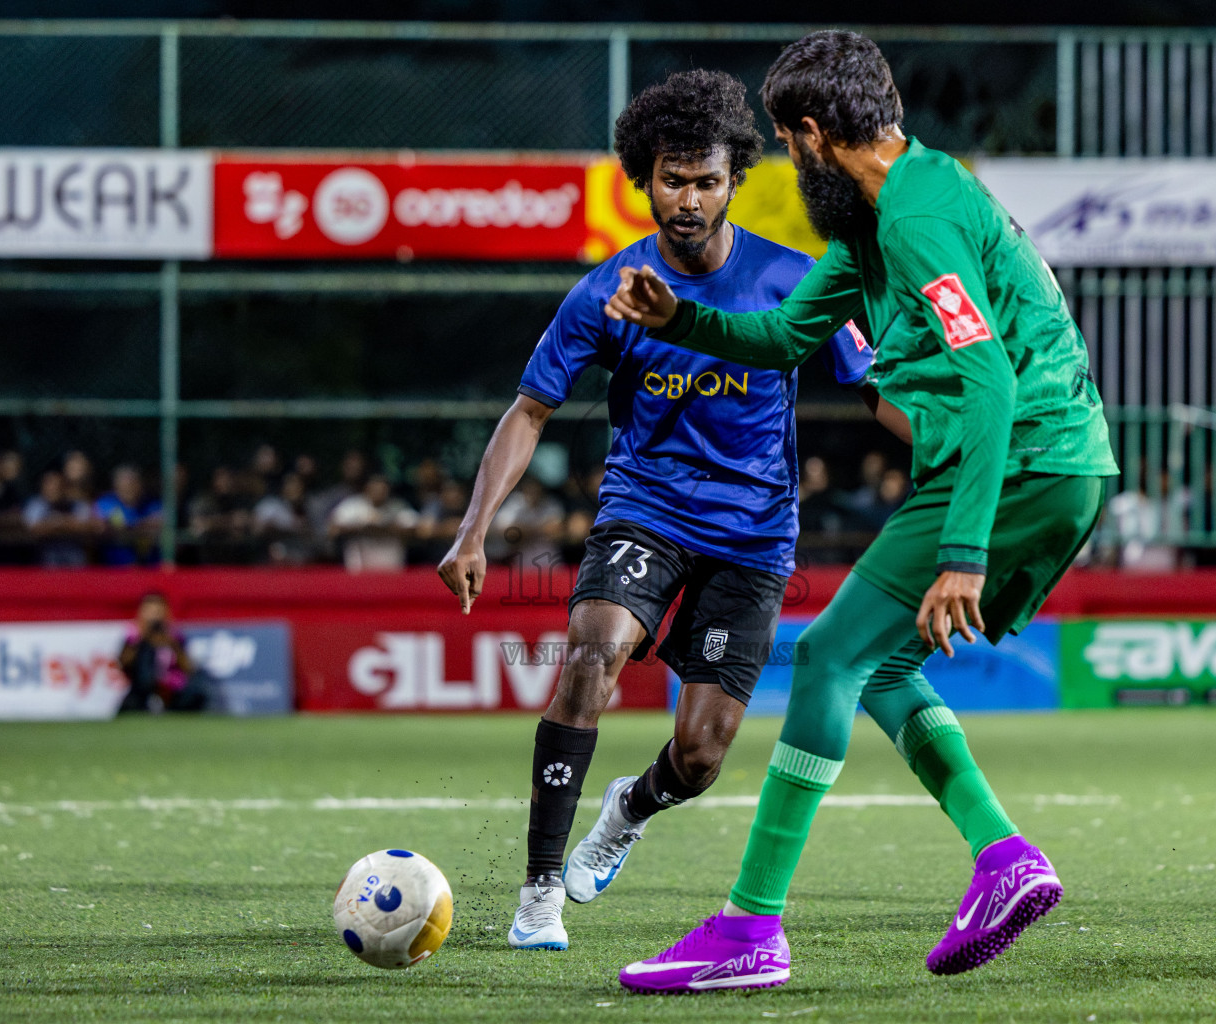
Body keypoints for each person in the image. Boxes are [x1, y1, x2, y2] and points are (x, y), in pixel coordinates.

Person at [604, 31, 1118, 992]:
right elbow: (785, 335)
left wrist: (963, 553)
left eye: (787, 147)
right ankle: (1002, 858)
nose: (790, 166)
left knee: (830, 657)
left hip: (1018, 462)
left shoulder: (916, 218)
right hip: (1060, 469)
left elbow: (992, 379)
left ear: (809, 135)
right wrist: (681, 319)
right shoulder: (884, 218)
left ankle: (751, 929)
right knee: (878, 667)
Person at [438, 69, 905, 954]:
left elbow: (876, 391)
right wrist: (473, 532)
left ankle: (629, 809)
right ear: (644, 181)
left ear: (736, 181)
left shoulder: (795, 281)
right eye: (671, 179)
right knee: (591, 653)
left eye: (706, 180)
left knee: (700, 755)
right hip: (644, 511)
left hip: (756, 534)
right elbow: (530, 408)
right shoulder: (606, 290)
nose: (687, 200)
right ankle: (538, 891)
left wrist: (968, 455)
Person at [117, 592, 209, 713]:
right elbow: (123, 663)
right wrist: (142, 640)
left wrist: (172, 644)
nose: (155, 617)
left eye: (158, 611)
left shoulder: (174, 635)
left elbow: (188, 668)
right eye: (150, 611)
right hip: (142, 689)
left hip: (171, 689)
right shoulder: (133, 634)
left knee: (196, 694)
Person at [329, 473, 418, 571]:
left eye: (383, 490)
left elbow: (416, 529)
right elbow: (333, 529)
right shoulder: (352, 505)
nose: (379, 493)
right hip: (359, 567)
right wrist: (362, 527)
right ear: (367, 489)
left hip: (391, 566)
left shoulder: (398, 507)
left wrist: (382, 527)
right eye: (375, 489)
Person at [24, 468, 96, 568]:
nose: (54, 488)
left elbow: (86, 526)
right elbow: (35, 529)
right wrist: (65, 524)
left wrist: (59, 522)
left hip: (73, 550)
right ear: (43, 486)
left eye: (58, 485)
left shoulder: (77, 504)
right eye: (50, 484)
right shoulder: (36, 504)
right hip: (46, 552)